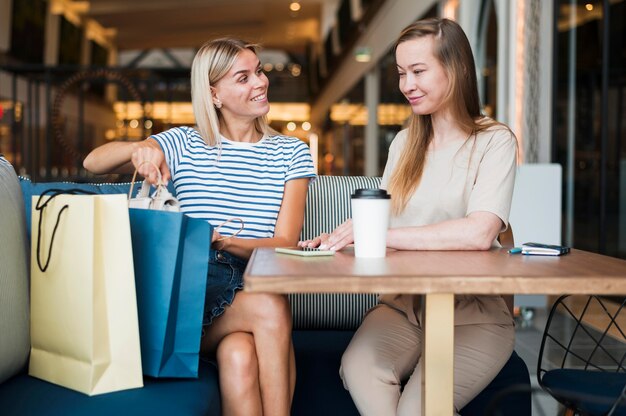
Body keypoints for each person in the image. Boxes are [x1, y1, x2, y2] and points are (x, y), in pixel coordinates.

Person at [84, 38, 315, 416]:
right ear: (215, 94)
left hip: (251, 282)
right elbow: (94, 162)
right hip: (191, 291)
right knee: (271, 309)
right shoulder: (183, 142)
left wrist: (221, 240)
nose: (260, 82)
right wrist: (143, 150)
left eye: (258, 71)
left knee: (239, 356)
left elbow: (285, 241)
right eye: (243, 78)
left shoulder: (290, 152)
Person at [300, 18, 517, 415]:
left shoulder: (494, 140)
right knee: (359, 368)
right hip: (403, 309)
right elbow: (387, 223)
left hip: (473, 317)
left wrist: (382, 234)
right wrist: (348, 235)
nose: (406, 85)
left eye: (418, 71)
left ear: (457, 69)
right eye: (401, 73)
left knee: (421, 408)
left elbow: (479, 232)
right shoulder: (403, 143)